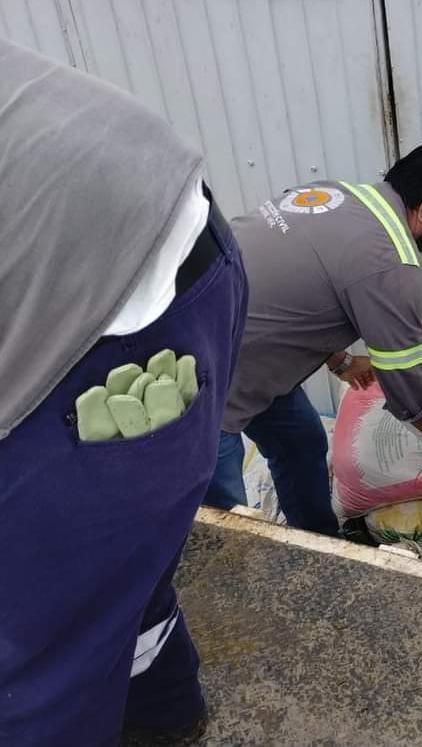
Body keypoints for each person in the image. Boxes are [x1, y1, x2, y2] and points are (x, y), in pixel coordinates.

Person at [0, 40, 248, 743]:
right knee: (123, 578)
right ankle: (168, 720)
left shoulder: (380, 265)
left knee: (33, 663)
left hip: (114, 320)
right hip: (188, 261)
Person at [203, 144, 422, 535]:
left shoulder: (334, 196)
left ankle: (321, 547)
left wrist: (340, 361)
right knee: (227, 528)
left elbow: (295, 289)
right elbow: (405, 380)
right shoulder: (391, 262)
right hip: (198, 376)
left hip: (237, 342)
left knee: (301, 443)